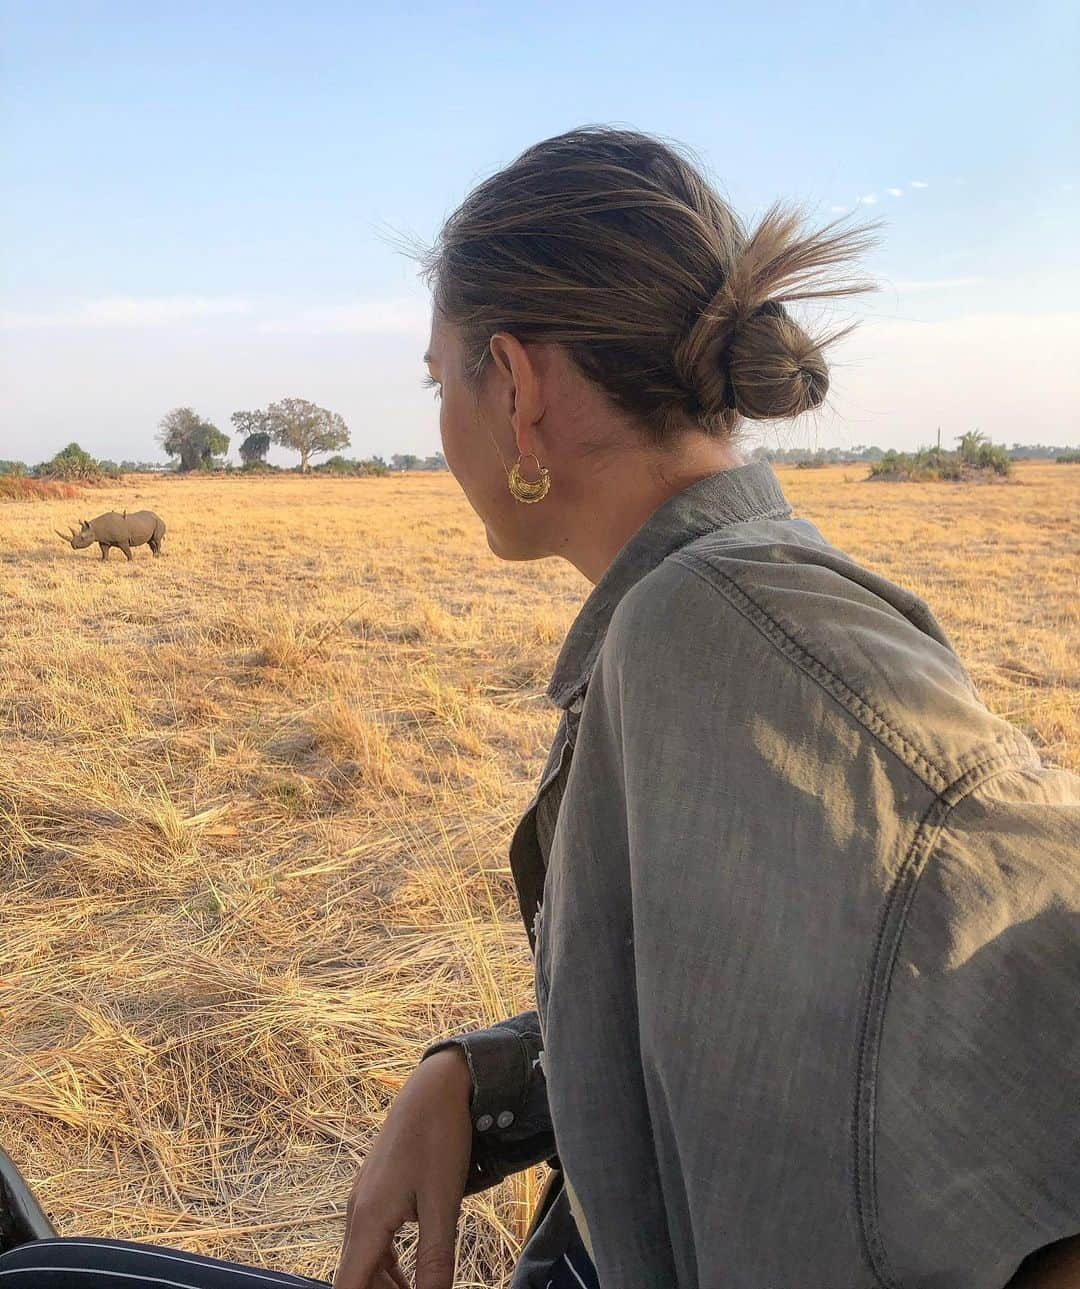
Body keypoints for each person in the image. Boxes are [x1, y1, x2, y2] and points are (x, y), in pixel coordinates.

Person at [2, 125, 1076, 1289]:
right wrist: (484, 1077)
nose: (438, 418)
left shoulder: (719, 635)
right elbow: (751, 1003)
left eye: (437, 377)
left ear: (513, 389)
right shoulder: (699, 614)